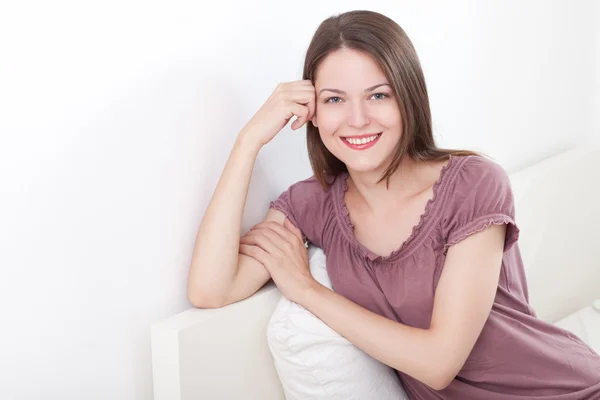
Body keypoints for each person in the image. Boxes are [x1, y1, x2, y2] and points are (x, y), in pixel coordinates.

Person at [187, 9, 600, 399]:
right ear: (312, 113)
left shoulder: (474, 184)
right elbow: (211, 289)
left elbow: (439, 363)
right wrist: (248, 141)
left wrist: (306, 290)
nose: (358, 119)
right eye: (334, 100)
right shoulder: (312, 204)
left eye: (378, 95)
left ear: (408, 98)